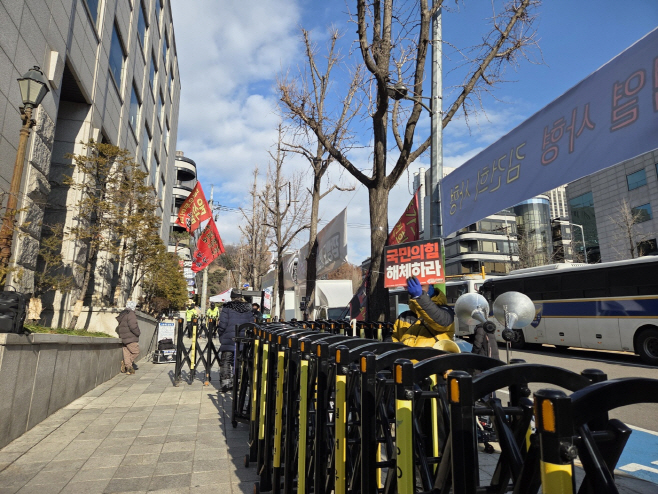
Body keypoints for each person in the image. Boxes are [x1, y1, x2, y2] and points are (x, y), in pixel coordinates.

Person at [391, 276, 458, 352]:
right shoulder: (404, 317)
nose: (418, 288)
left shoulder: (446, 311)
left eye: (421, 285)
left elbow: (441, 322)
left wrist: (419, 297)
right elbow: (394, 342)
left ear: (431, 284)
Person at [217, 289, 253, 392]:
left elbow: (222, 325)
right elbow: (251, 324)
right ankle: (239, 382)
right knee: (240, 361)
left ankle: (226, 384)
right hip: (243, 339)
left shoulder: (227, 308)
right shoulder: (248, 308)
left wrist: (221, 336)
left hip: (229, 338)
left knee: (226, 361)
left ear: (231, 297)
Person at [116, 300, 140, 375]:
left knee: (127, 353)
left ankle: (129, 369)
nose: (136, 309)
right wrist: (138, 333)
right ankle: (126, 363)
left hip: (123, 337)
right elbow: (133, 326)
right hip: (130, 337)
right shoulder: (131, 314)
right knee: (136, 352)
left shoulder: (123, 314)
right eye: (135, 307)